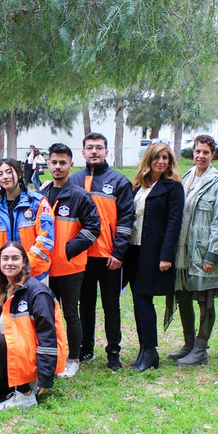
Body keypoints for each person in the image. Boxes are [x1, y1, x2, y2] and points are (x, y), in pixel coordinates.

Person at [70, 132, 134, 370]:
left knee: (111, 306)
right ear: (83, 152)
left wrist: (119, 253)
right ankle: (86, 348)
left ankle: (113, 352)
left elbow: (127, 219)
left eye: (99, 147)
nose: (94, 151)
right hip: (82, 257)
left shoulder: (119, 181)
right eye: (90, 147)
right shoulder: (73, 180)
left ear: (107, 152)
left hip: (109, 257)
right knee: (85, 305)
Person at [0, 242, 66, 410]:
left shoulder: (37, 292)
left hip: (34, 356)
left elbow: (48, 336)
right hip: (15, 351)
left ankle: (26, 394)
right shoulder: (2, 289)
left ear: (25, 262)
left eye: (15, 258)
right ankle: (18, 384)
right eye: (5, 259)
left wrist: (46, 376)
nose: (9, 263)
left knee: (0, 341)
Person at [39, 143, 100, 379]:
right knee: (47, 314)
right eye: (54, 162)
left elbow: (93, 228)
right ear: (48, 164)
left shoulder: (80, 196)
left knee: (70, 313)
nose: (58, 166)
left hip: (69, 267)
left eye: (62, 163)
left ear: (71, 165)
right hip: (45, 267)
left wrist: (67, 250)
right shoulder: (42, 194)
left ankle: (74, 358)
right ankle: (52, 355)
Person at [124, 141, 184, 371]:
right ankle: (144, 350)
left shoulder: (173, 187)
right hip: (133, 250)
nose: (161, 162)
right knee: (138, 300)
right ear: (148, 159)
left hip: (154, 252)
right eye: (157, 157)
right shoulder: (138, 186)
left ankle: (150, 352)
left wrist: (166, 256)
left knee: (143, 299)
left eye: (165, 158)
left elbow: (174, 223)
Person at [171, 135, 218, 367]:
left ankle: (201, 348)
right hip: (183, 252)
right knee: (183, 296)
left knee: (205, 301)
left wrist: (212, 254)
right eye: (197, 151)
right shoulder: (185, 177)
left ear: (213, 155)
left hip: (203, 252)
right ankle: (189, 343)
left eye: (206, 152)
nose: (201, 156)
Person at [0, 158, 54, 282]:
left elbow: (45, 239)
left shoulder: (37, 202)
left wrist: (24, 264)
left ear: (19, 174)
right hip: (6, 275)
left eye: (9, 172)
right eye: (0, 174)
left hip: (35, 274)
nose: (5, 177)